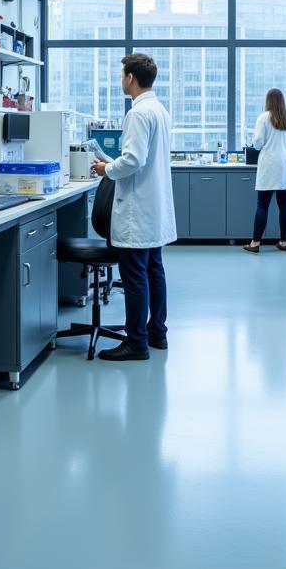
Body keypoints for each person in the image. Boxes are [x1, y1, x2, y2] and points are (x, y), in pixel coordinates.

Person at [91, 53, 176, 361]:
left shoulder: (138, 113)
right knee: (154, 271)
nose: (120, 80)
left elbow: (134, 160)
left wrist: (106, 169)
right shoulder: (159, 109)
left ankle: (136, 343)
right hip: (152, 209)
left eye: (121, 74)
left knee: (135, 277)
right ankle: (157, 334)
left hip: (137, 210)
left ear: (130, 77)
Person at [243, 88, 286, 253]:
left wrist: (255, 143)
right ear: (282, 101)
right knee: (284, 205)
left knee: (262, 205)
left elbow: (258, 144)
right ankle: (283, 242)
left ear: (268, 101)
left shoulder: (263, 118)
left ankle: (255, 243)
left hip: (269, 164)